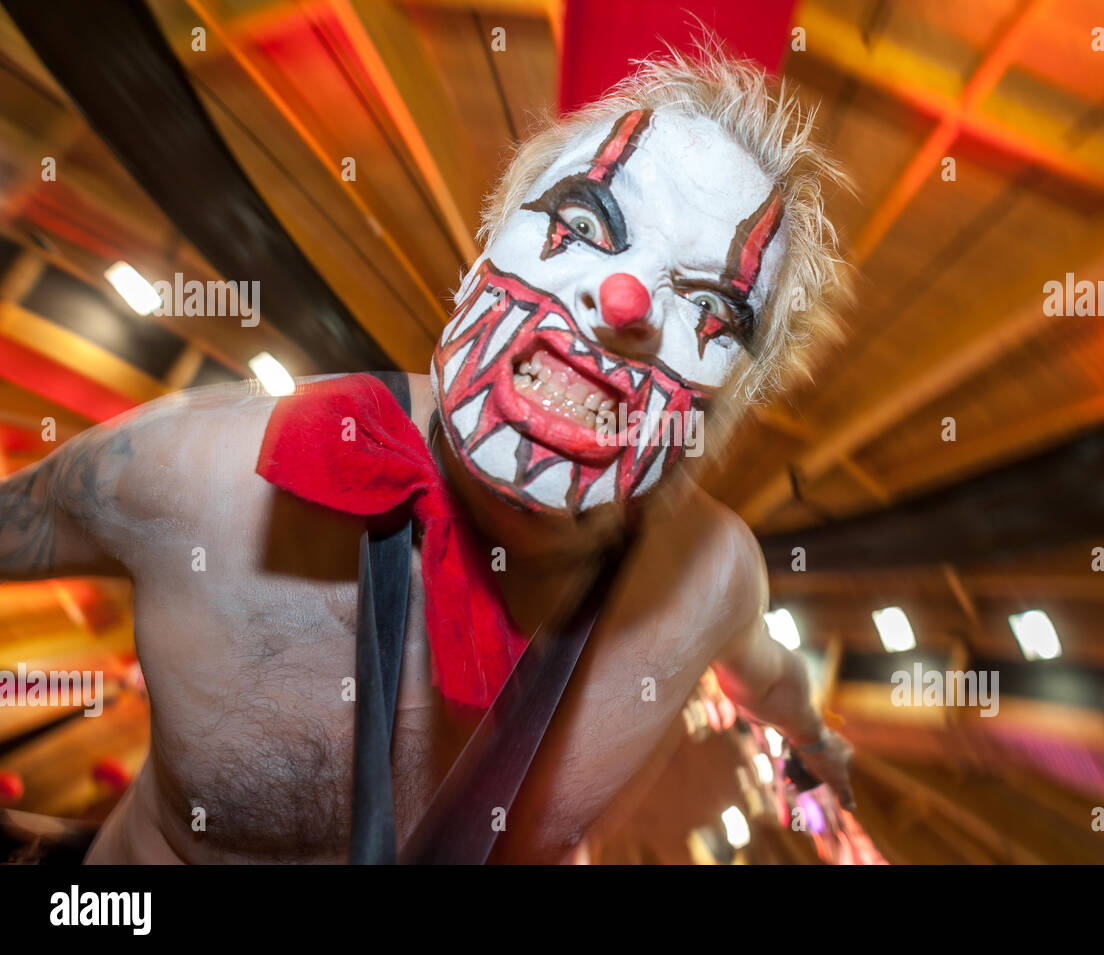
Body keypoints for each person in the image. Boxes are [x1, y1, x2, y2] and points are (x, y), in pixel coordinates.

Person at [0, 44, 854, 864]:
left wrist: (816, 747)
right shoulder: (195, 473)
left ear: (727, 412)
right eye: (588, 220)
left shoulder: (714, 583)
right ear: (483, 249)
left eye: (709, 307)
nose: (623, 298)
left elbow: (770, 677)